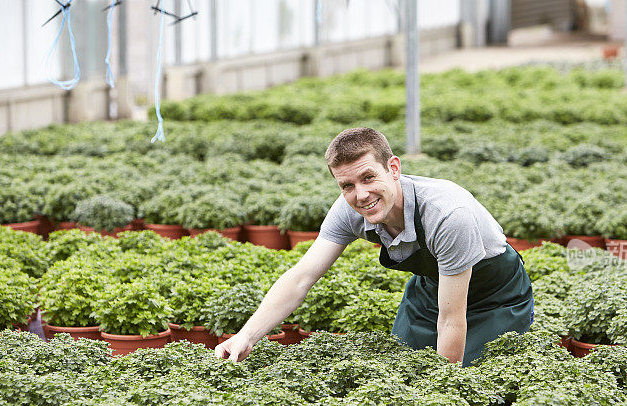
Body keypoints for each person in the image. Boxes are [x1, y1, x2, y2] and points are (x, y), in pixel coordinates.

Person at [215, 127, 534, 366]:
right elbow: (301, 278)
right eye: (347, 185)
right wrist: (246, 336)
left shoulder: (448, 216)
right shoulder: (348, 209)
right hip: (434, 292)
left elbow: (452, 321)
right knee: (403, 370)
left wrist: (441, 400)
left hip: (496, 298)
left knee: (475, 378)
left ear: (393, 168)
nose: (361, 194)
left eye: (369, 177)